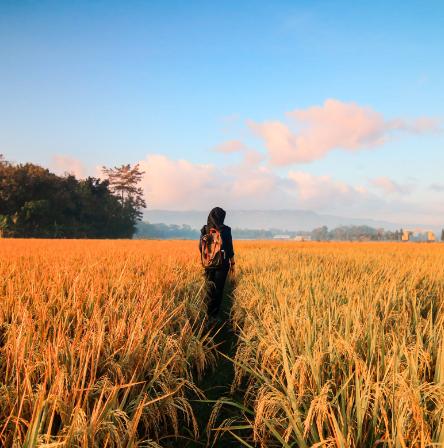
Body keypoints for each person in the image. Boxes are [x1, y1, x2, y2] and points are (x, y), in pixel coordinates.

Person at [199, 207, 235, 320]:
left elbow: (200, 247)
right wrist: (232, 263)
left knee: (209, 288)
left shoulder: (205, 229)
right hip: (222, 264)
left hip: (208, 264)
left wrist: (208, 257)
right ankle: (214, 315)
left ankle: (206, 313)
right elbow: (229, 248)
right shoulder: (226, 230)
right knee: (218, 289)